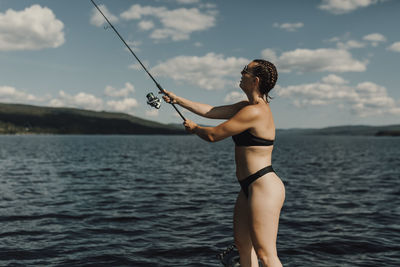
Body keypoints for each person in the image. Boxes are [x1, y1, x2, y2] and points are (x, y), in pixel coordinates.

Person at [162, 59, 285, 267]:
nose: (241, 73)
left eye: (245, 71)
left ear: (255, 80)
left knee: (266, 254)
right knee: (243, 246)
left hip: (264, 186)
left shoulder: (254, 111)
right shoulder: (245, 106)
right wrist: (177, 100)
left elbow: (213, 135)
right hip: (249, 187)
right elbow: (211, 111)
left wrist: (195, 129)